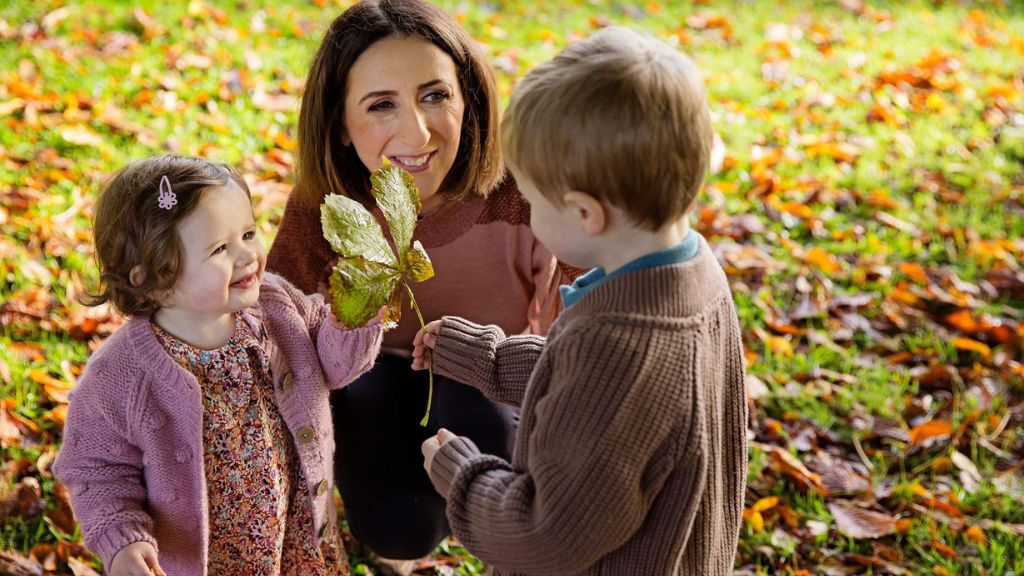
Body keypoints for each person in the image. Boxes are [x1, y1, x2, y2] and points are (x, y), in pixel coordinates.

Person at [414, 26, 748, 575]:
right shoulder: (687, 274)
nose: (528, 215)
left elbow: (547, 537)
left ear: (586, 214)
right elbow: (585, 385)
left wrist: (464, 477)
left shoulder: (623, 348)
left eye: (532, 201)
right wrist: (488, 358)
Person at [266, 0, 578, 563]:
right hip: (370, 372)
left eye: (435, 95)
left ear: (468, 100)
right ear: (339, 122)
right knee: (396, 528)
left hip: (491, 368)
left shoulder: (520, 191)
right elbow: (272, 328)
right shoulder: (327, 207)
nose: (417, 131)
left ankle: (471, 508)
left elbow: (580, 322)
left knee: (480, 430)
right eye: (382, 105)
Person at [53, 155, 384, 576]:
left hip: (296, 538)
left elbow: (336, 367)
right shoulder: (120, 375)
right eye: (219, 248)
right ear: (151, 279)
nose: (247, 255)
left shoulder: (277, 306)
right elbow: (96, 470)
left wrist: (355, 315)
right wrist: (123, 541)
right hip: (204, 562)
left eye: (247, 233)